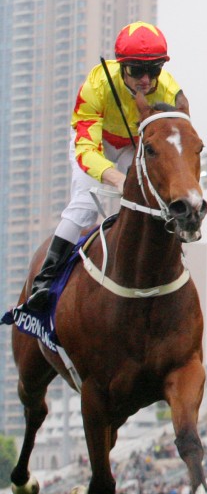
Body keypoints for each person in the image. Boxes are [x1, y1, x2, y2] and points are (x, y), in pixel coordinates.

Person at [24, 22, 184, 312]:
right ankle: (44, 282)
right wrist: (116, 179)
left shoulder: (170, 92)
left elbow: (175, 143)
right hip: (97, 145)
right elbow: (86, 149)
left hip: (133, 145)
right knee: (84, 206)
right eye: (137, 70)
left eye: (154, 70)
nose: (146, 80)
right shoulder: (95, 86)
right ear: (122, 66)